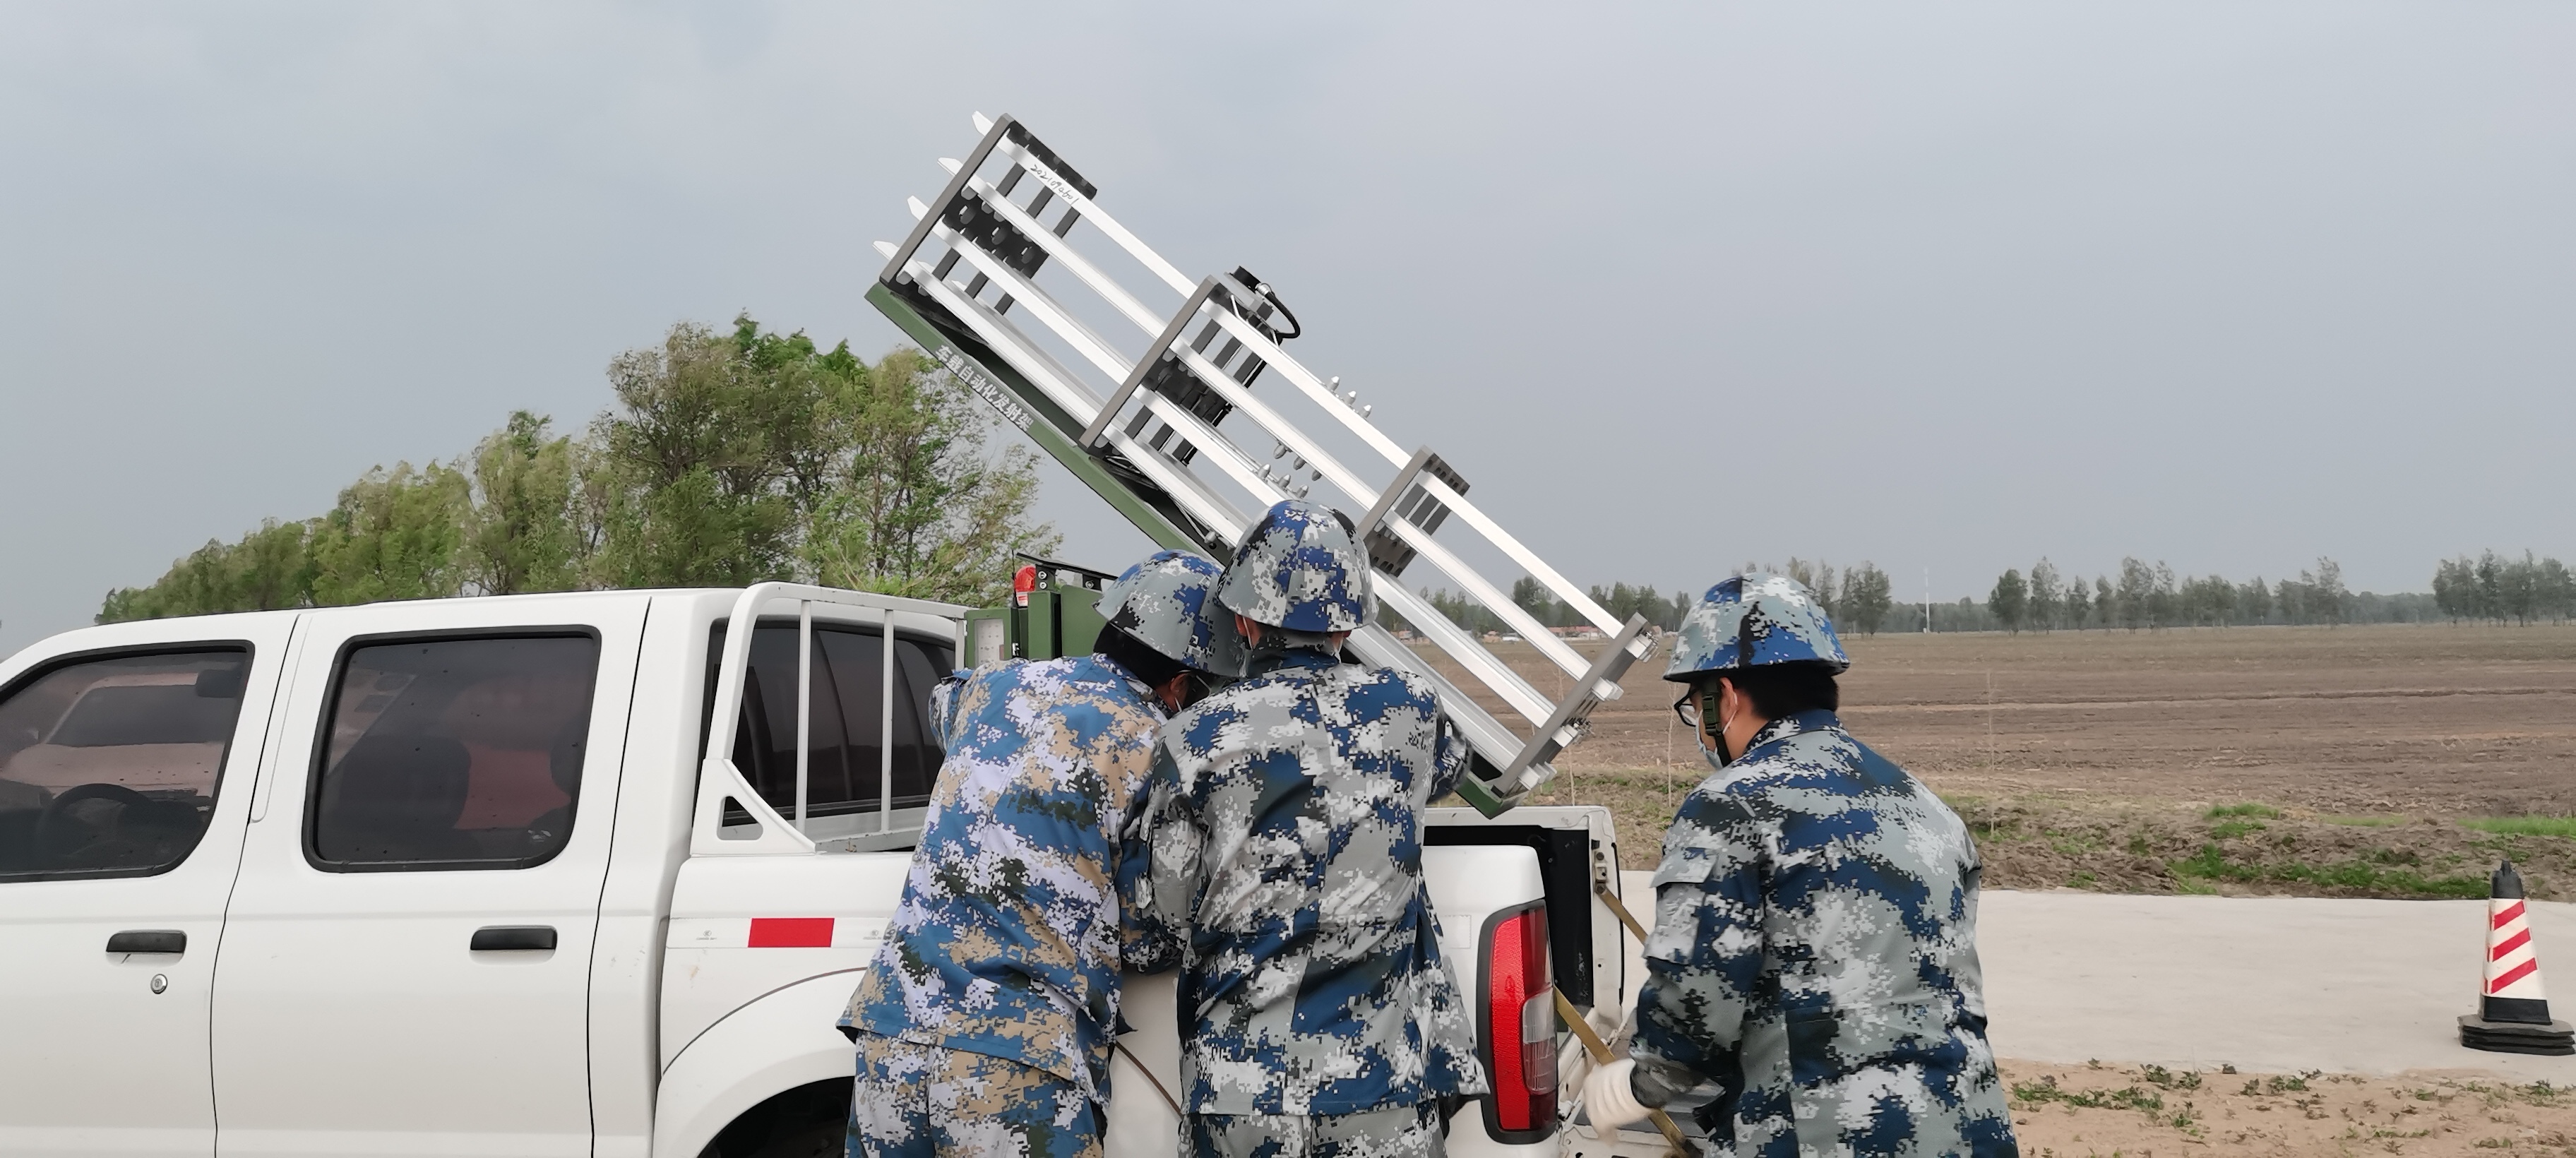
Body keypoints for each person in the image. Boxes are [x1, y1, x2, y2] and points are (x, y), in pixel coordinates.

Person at [1568, 573, 2018, 1158]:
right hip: (1966, 1126)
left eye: (1695, 707)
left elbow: (1699, 992)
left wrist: (1643, 1081)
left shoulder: (1733, 804)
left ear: (1723, 698)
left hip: (1825, 1134)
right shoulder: (1922, 804)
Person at [840, 549, 1244, 1158]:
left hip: (890, 1038)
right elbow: (1146, 938)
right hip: (1017, 1059)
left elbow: (939, 701)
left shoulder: (994, 687)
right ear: (1183, 684)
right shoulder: (1159, 749)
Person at [1125, 499, 1489, 1158]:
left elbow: (1162, 918)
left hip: (1240, 1095)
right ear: (1346, 626)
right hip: (1380, 1093)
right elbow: (1448, 768)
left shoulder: (1192, 738)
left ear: (1242, 618)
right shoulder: (1410, 711)